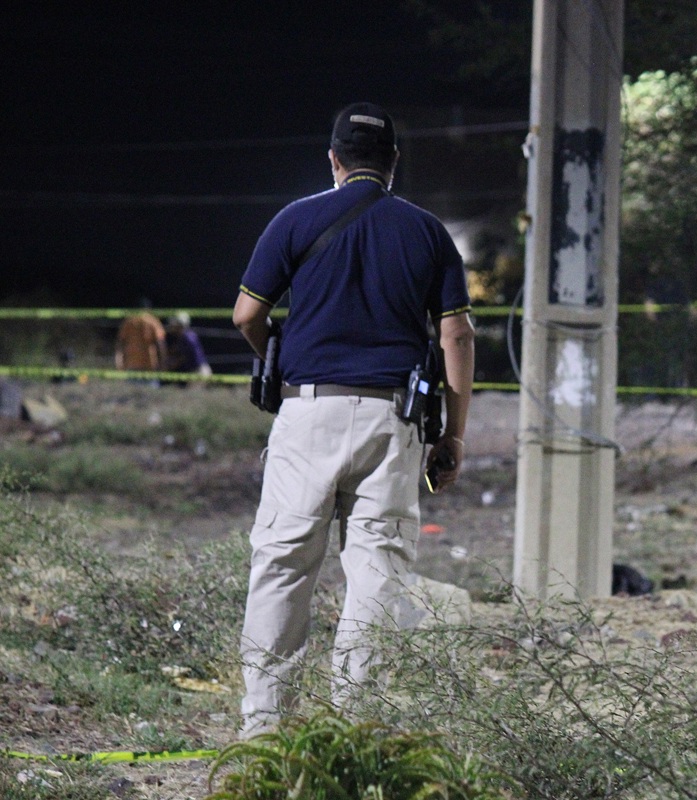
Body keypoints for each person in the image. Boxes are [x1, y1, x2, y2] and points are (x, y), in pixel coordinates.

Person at [231, 102, 475, 738]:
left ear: (334, 160)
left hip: (307, 410)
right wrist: (452, 434)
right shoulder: (428, 232)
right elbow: (456, 336)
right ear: (394, 162)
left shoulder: (294, 219)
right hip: (391, 422)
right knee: (377, 573)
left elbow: (246, 316)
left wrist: (276, 356)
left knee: (283, 568)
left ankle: (264, 732)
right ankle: (355, 728)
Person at [115, 306, 166, 373]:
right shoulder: (152, 321)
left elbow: (121, 342)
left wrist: (119, 360)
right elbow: (160, 343)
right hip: (149, 363)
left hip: (132, 362)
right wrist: (163, 362)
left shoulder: (129, 321)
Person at [164, 312, 213, 378]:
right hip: (197, 370)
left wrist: (169, 366)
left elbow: (184, 356)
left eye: (175, 324)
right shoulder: (185, 336)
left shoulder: (187, 337)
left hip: (199, 371)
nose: (172, 326)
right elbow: (175, 350)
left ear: (180, 325)